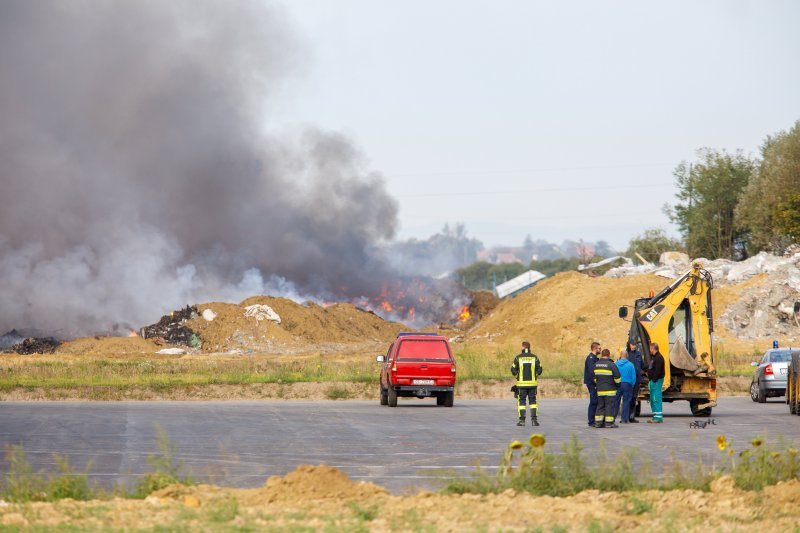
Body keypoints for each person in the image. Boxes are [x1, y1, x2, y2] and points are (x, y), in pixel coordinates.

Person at [511, 341, 542, 426]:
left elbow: (513, 370)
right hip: (532, 384)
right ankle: (534, 421)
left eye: (521, 347)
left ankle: (522, 421)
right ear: (529, 347)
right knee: (533, 402)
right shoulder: (535, 357)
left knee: (522, 402)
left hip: (521, 385)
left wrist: (518, 376)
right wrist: (534, 376)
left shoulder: (518, 358)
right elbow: (540, 369)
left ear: (523, 347)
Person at [592, 348, 621, 427]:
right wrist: (618, 385)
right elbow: (617, 377)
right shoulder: (611, 365)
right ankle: (608, 423)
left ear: (602, 355)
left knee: (600, 406)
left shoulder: (596, 365)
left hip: (600, 390)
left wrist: (598, 384)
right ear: (608, 355)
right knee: (609, 406)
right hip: (610, 390)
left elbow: (594, 378)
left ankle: (598, 423)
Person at [615, 349, 636, 424]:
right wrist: (632, 384)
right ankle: (624, 419)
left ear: (620, 355)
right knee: (626, 402)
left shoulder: (616, 364)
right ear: (627, 356)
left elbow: (614, 374)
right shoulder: (631, 365)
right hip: (628, 385)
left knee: (616, 401)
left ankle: (612, 418)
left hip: (618, 384)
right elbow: (634, 376)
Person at [583, 342, 601, 427]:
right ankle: (591, 421)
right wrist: (596, 382)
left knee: (595, 401)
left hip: (593, 383)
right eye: (599, 348)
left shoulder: (595, 358)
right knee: (593, 401)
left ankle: (593, 420)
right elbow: (591, 372)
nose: (600, 350)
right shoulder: (591, 358)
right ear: (595, 349)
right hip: (591, 383)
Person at [647, 342, 666, 423]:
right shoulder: (655, 357)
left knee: (656, 398)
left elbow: (657, 371)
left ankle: (658, 417)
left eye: (650, 348)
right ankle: (655, 416)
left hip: (657, 381)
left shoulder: (658, 358)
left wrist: (653, 380)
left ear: (653, 349)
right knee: (652, 398)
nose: (649, 350)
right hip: (654, 381)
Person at [626, 340, 643, 423]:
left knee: (633, 398)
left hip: (636, 380)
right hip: (627, 380)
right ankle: (625, 417)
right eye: (633, 345)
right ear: (629, 345)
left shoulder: (638, 354)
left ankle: (632, 417)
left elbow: (642, 366)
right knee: (627, 398)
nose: (634, 346)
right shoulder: (625, 354)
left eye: (635, 344)